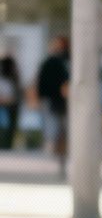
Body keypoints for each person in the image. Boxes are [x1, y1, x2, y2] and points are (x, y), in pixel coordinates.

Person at [34, 35, 69, 165]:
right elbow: (42, 81)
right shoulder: (54, 61)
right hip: (54, 99)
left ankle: (57, 150)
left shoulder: (62, 61)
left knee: (56, 127)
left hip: (58, 100)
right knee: (55, 127)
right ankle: (56, 150)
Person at [0, 44, 20, 150]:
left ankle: (6, 146)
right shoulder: (12, 78)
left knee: (6, 128)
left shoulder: (11, 79)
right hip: (10, 106)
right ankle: (6, 146)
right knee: (8, 129)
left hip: (9, 106)